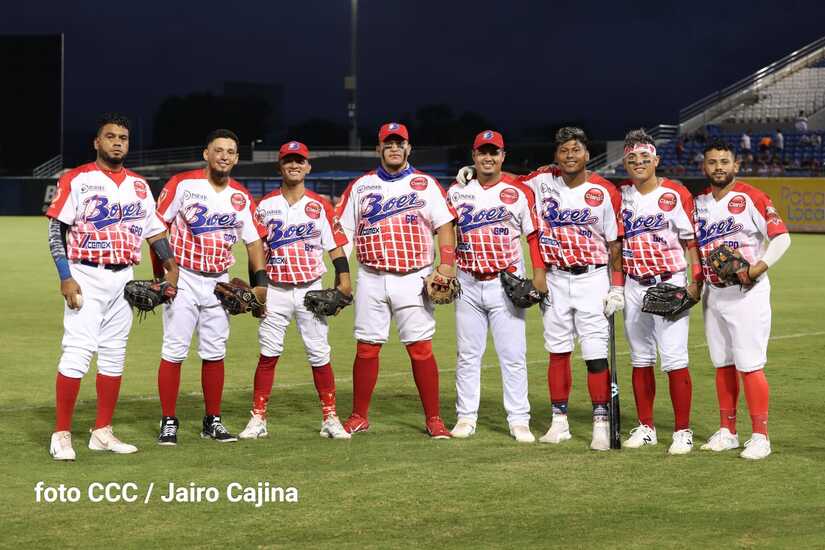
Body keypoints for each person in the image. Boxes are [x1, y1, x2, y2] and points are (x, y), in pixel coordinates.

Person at [473, 127, 622, 451]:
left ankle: (600, 422)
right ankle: (559, 421)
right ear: (556, 155)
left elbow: (614, 244)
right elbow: (508, 180)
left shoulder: (605, 190)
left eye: (576, 150)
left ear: (587, 154)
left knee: (595, 353)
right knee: (558, 351)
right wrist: (473, 172)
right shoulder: (542, 180)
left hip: (593, 277)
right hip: (554, 278)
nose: (570, 155)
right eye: (564, 150)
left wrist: (617, 287)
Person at [46, 113, 179, 460]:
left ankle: (102, 432)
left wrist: (170, 266)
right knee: (77, 352)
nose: (117, 142)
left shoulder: (139, 185)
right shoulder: (77, 179)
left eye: (123, 138)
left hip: (124, 278)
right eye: (110, 136)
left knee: (114, 353)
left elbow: (154, 232)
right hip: (85, 274)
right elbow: (56, 230)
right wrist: (65, 275)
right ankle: (61, 434)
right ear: (97, 142)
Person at [335, 122, 457, 438]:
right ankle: (359, 416)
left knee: (420, 348)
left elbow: (445, 226)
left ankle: (434, 419)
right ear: (378, 148)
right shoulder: (361, 186)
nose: (393, 148)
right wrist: (342, 275)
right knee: (366, 347)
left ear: (408, 148)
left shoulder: (425, 184)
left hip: (414, 277)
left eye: (399, 143)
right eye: (387, 144)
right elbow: (344, 232)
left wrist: (446, 265)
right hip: (371, 277)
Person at [155, 129, 269, 445]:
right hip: (184, 277)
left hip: (220, 281)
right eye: (218, 150)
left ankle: (212, 421)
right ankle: (168, 421)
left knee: (215, 351)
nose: (224, 156)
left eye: (230, 152)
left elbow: (254, 243)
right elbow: (157, 228)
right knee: (174, 350)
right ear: (206, 153)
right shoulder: (183, 184)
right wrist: (166, 274)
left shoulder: (240, 196)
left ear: (237, 158)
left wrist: (261, 287)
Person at [238, 141, 352, 440]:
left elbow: (335, 246)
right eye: (288, 160)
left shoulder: (320, 205)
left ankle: (330, 417)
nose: (294, 165)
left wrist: (344, 279)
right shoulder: (265, 206)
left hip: (310, 290)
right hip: (274, 289)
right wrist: (258, 290)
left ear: (308, 166)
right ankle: (258, 418)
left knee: (319, 353)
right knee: (268, 353)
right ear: (280, 166)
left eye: (299, 161)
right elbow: (255, 251)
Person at [695, 140, 791, 460]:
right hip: (714, 293)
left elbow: (781, 238)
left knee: (749, 365)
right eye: (712, 162)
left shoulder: (752, 197)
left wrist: (756, 268)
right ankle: (728, 431)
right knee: (722, 363)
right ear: (704, 167)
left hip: (747, 293)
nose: (718, 167)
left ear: (736, 166)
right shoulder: (699, 203)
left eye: (724, 161)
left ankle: (761, 436)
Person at [447, 131, 544, 443]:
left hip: (506, 284)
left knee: (513, 355)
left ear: (503, 156)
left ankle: (519, 420)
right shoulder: (457, 191)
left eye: (494, 152)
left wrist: (539, 275)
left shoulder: (518, 192)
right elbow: (446, 230)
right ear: (474, 156)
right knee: (467, 354)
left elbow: (533, 236)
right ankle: (466, 416)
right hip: (467, 282)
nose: (488, 158)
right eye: (482, 152)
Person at [615, 129, 701, 455]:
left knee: (675, 358)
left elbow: (692, 242)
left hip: (669, 282)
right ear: (625, 163)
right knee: (640, 358)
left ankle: (682, 432)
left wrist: (695, 282)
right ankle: (646, 427)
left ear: (656, 160)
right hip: (634, 284)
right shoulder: (621, 196)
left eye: (644, 157)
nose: (638, 162)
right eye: (631, 158)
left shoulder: (675, 193)